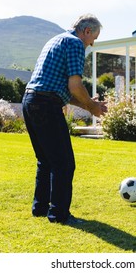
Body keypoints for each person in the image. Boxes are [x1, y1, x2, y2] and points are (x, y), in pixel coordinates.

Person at [22, 14, 107, 225]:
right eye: (93, 38)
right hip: (45, 105)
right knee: (64, 163)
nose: (92, 43)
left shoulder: (56, 40)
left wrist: (88, 104)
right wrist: (92, 106)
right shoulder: (75, 44)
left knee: (46, 161)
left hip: (30, 101)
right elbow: (75, 86)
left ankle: (40, 208)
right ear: (86, 31)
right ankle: (59, 214)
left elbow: (64, 92)